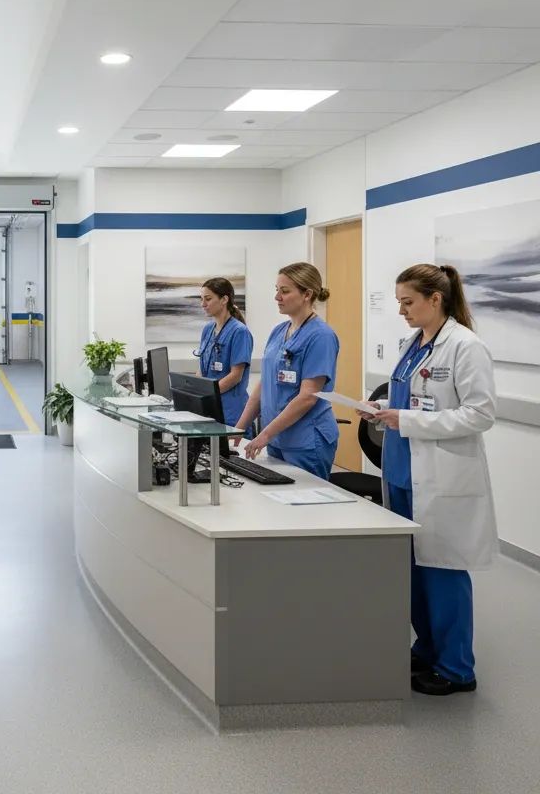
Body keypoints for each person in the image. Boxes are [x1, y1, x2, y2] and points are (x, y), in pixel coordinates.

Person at [357, 263, 498, 696]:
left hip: (441, 477)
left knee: (443, 571)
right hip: (404, 473)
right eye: (399, 302)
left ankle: (456, 669)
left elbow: (480, 414)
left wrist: (408, 420)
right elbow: (406, 398)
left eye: (408, 302)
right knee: (413, 570)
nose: (401, 311)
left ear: (435, 299)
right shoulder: (413, 343)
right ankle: (428, 648)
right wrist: (379, 410)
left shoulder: (465, 346)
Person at [234, 262, 339, 480]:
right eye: (277, 290)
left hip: (306, 440)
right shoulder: (279, 332)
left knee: (304, 498)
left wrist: (265, 435)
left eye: (284, 291)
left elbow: (308, 397)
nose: (277, 297)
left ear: (307, 294)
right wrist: (238, 430)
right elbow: (263, 386)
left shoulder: (321, 336)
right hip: (277, 437)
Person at [194, 277, 253, 428]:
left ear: (224, 299)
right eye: (201, 299)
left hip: (231, 411)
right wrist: (195, 394)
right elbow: (202, 367)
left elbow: (235, 376)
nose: (203, 304)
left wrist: (207, 394)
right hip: (209, 408)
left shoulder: (240, 332)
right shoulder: (208, 329)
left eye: (208, 299)